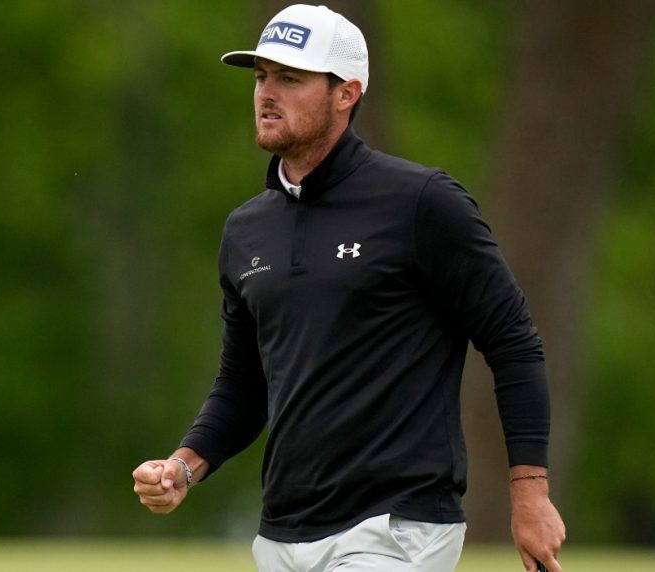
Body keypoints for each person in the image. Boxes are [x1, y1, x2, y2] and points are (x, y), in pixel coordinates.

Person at [132, 4, 565, 571]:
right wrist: (183, 467)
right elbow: (243, 386)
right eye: (261, 76)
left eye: (290, 78)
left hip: (396, 528)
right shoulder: (246, 230)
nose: (267, 93)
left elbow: (513, 342)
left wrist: (530, 494)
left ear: (347, 93)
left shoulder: (422, 203)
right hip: (283, 534)